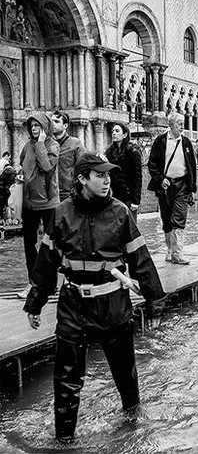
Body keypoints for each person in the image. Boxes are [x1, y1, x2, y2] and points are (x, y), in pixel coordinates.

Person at [23, 152, 165, 442]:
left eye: (108, 175)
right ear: (82, 179)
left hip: (113, 305)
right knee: (66, 380)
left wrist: (155, 302)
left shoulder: (120, 212)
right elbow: (46, 261)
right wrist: (35, 303)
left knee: (126, 376)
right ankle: (64, 440)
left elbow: (140, 258)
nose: (106, 180)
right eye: (100, 175)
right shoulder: (61, 213)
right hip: (73, 304)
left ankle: (133, 432)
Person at [147, 112, 197, 265]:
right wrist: (160, 180)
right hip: (166, 186)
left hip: (182, 185)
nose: (182, 126)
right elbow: (152, 164)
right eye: (179, 123)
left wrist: (192, 189)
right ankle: (169, 250)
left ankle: (177, 253)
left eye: (183, 123)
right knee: (167, 218)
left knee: (179, 217)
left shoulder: (187, 143)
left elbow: (192, 167)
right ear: (170, 125)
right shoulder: (160, 141)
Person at [20, 114, 60, 285]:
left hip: (48, 202)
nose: (35, 129)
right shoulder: (27, 146)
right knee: (29, 244)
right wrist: (20, 175)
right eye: (32, 126)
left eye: (38, 126)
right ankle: (34, 280)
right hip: (29, 201)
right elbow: (23, 164)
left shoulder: (53, 145)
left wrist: (41, 144)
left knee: (52, 243)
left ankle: (53, 280)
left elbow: (46, 166)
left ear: (45, 127)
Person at [105, 122, 141, 221]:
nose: (113, 134)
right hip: (114, 195)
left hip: (128, 196)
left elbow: (138, 178)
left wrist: (136, 201)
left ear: (124, 135)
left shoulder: (133, 153)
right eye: (113, 131)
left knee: (129, 227)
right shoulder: (110, 153)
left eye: (117, 131)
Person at [51, 110, 86, 202]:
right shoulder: (47, 144)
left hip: (68, 193)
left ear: (65, 125)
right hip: (50, 194)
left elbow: (84, 166)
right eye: (51, 121)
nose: (52, 124)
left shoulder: (75, 143)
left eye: (56, 121)